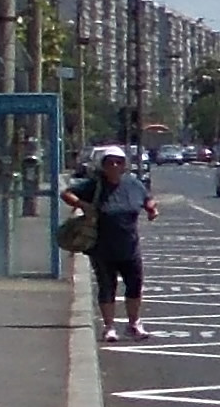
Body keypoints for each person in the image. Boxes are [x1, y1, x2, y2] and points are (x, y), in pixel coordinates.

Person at [67, 144, 161, 340]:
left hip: (130, 246)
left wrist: (152, 209)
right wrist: (83, 204)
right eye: (110, 162)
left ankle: (134, 324)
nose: (115, 166)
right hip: (102, 246)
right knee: (107, 287)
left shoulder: (133, 183)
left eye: (119, 162)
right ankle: (109, 326)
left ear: (124, 165)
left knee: (134, 285)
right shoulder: (95, 185)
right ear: (104, 165)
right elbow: (67, 193)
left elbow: (147, 199)